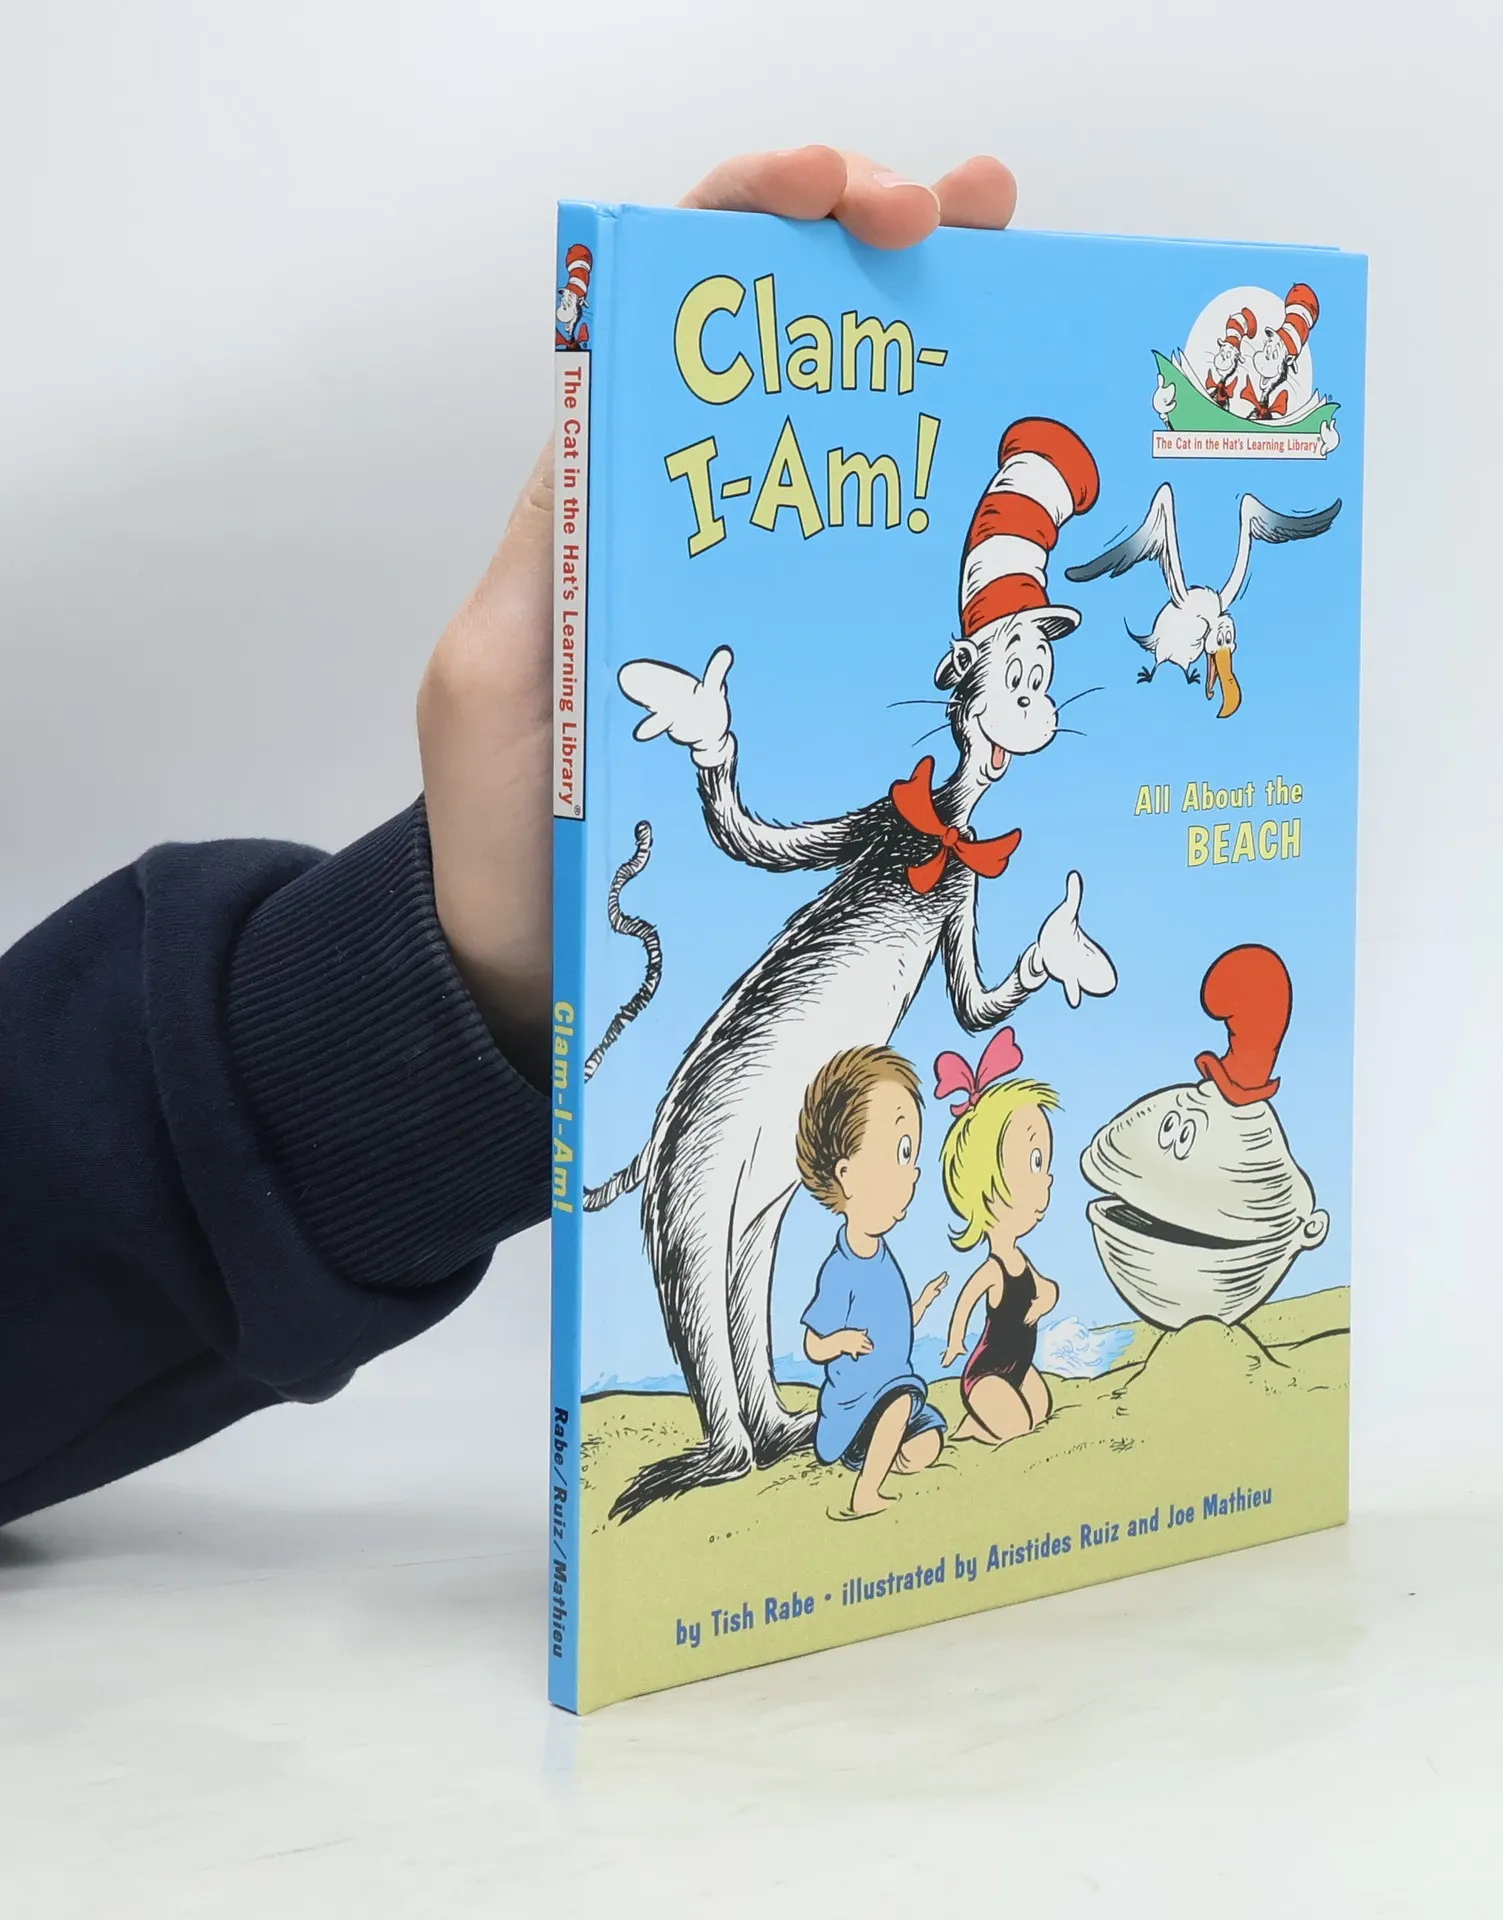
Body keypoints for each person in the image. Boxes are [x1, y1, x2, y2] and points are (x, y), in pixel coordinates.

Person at [0, 148, 1019, 1531]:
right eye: (1018, 663)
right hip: (745, 1071)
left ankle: (761, 1427)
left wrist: (470, 969)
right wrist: (713, 759)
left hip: (800, 1080)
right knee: (711, 1219)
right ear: (968, 687)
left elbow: (971, 998)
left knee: (770, 1223)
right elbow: (762, 845)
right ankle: (736, 1431)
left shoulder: (968, 866)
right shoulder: (898, 823)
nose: (1035, 690)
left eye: (1042, 668)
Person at [795, 1047, 949, 1516]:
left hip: (893, 1389)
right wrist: (840, 1340)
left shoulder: (884, 1258)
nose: (913, 1173)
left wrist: (922, 1302)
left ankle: (883, 1456)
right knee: (901, 1403)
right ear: (847, 1175)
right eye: (898, 1154)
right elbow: (812, 1345)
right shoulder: (840, 1269)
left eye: (911, 1155)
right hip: (858, 1406)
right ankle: (864, 1493)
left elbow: (894, 1323)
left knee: (928, 1442)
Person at [935, 1030, 1061, 1446]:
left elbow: (1047, 1288)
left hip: (1018, 1366)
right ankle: (974, 1426)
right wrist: (955, 1341)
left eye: (1044, 1163)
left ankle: (981, 1424)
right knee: (1018, 1427)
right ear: (989, 1189)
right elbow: (966, 1301)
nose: (1047, 1178)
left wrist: (1046, 1299)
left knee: (1042, 1410)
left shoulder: (1022, 1262)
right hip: (986, 1374)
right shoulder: (993, 1271)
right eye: (1034, 1162)